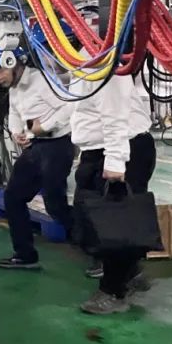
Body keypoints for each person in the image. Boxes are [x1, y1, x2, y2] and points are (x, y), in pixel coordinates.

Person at [70, 69, 155, 314]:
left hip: (122, 148)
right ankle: (130, 273)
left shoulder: (103, 65)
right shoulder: (80, 65)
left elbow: (116, 114)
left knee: (116, 226)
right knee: (93, 220)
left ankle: (113, 292)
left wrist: (116, 161)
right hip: (101, 149)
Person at [0, 41, 76, 270]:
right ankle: (25, 255)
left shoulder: (42, 81)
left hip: (57, 146)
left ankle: (99, 253)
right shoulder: (15, 88)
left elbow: (70, 107)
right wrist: (18, 132)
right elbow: (15, 113)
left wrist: (44, 126)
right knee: (13, 197)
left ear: (14, 63)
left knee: (55, 205)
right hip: (35, 148)